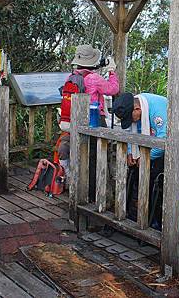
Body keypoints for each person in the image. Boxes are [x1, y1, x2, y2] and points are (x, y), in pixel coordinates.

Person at [69, 44, 119, 200]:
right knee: (97, 158)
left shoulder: (73, 77)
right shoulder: (93, 78)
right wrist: (111, 71)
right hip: (95, 119)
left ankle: (80, 191)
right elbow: (113, 89)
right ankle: (95, 195)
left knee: (82, 156)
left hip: (77, 120)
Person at [113, 92, 167, 228]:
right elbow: (133, 132)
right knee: (136, 171)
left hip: (173, 143)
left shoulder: (157, 111)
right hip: (152, 143)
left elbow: (164, 140)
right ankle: (136, 212)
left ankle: (156, 218)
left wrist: (145, 157)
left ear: (137, 109)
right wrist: (131, 152)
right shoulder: (135, 104)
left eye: (131, 118)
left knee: (155, 175)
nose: (131, 122)